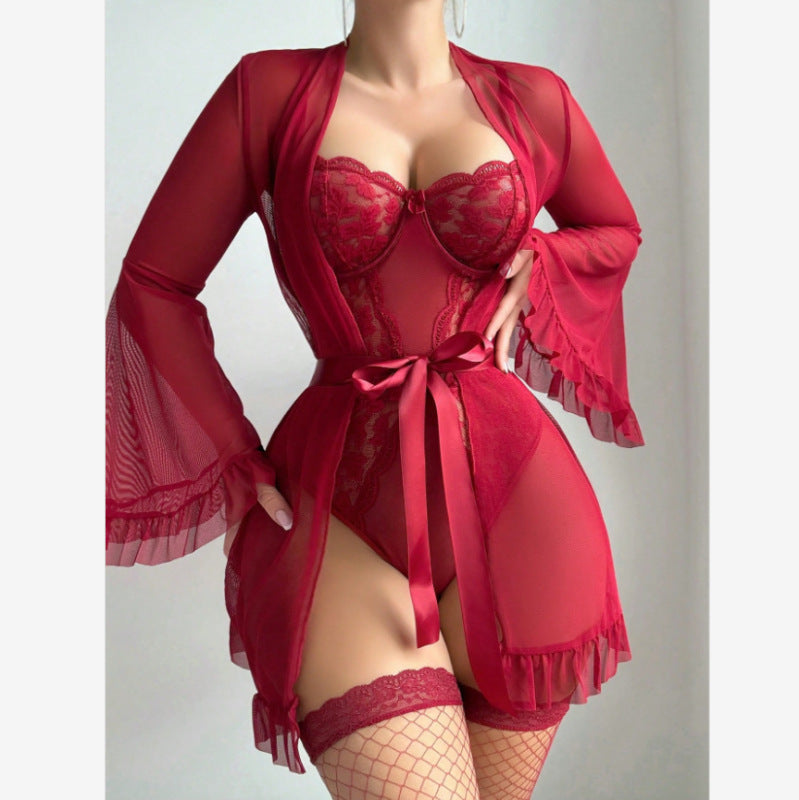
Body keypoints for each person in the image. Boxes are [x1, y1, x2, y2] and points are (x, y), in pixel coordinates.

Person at [106, 1, 644, 797]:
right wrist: (232, 452)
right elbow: (153, 284)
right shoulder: (267, 92)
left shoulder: (535, 99)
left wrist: (545, 253)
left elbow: (615, 229)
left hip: (523, 503)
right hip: (338, 501)